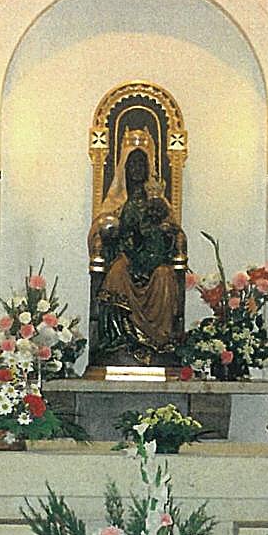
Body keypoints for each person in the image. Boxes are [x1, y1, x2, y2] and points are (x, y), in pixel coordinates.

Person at [88, 127, 187, 361]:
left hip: (154, 263)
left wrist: (165, 232)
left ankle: (160, 341)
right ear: (124, 167)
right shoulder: (115, 201)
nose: (136, 170)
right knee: (118, 272)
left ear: (148, 169)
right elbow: (99, 232)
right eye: (132, 165)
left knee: (164, 276)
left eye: (141, 165)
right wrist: (112, 232)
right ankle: (119, 341)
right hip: (125, 257)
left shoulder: (157, 201)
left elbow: (174, 232)